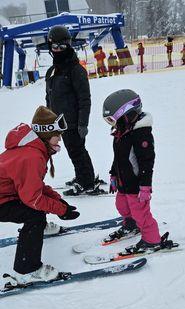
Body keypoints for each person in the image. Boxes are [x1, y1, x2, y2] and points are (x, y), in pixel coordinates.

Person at [0, 106, 80, 285]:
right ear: (45, 134)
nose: (60, 139)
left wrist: (59, 201)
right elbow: (33, 198)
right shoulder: (32, 156)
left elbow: (34, 186)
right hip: (2, 200)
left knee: (36, 207)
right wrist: (60, 210)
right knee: (34, 215)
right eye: (57, 134)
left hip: (7, 194)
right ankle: (27, 270)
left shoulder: (31, 149)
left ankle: (39, 228)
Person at [102, 89, 162, 251]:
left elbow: (147, 162)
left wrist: (145, 186)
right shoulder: (121, 133)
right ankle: (131, 224)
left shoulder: (141, 134)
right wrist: (113, 174)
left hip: (137, 185)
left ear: (126, 114)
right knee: (121, 205)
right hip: (124, 182)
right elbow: (118, 158)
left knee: (141, 214)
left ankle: (152, 240)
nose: (112, 124)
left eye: (112, 120)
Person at [46, 25, 99, 196]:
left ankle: (87, 182)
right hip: (60, 122)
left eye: (62, 47)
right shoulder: (52, 71)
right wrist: (49, 119)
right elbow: (50, 97)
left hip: (74, 122)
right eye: (55, 47)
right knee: (75, 152)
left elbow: (85, 99)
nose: (58, 51)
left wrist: (82, 123)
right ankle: (83, 176)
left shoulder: (76, 70)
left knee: (77, 152)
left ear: (69, 46)